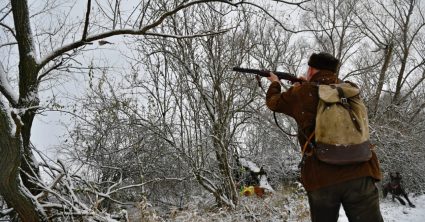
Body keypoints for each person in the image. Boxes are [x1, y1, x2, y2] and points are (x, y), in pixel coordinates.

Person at [266, 52, 383, 222]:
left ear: (311, 70)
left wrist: (275, 83)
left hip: (322, 177)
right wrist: (308, 84)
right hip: (361, 170)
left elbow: (273, 102)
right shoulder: (349, 89)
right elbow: (328, 89)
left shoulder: (303, 92)